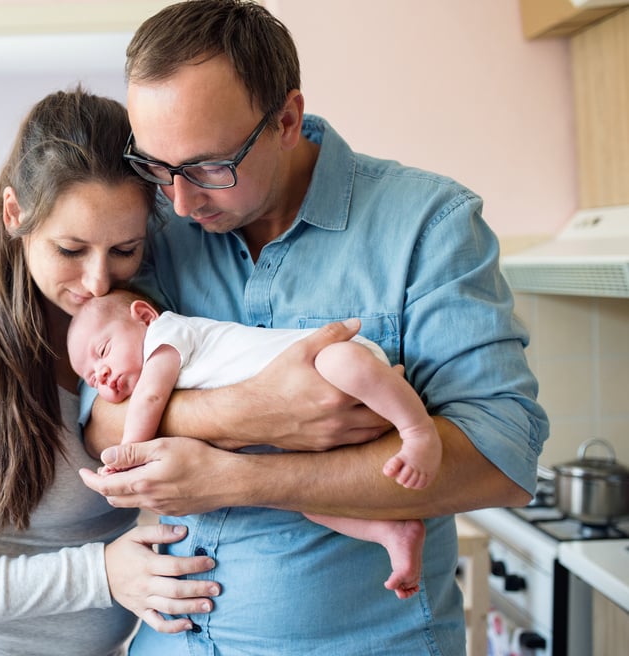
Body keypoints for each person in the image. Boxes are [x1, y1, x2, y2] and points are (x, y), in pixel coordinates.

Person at [78, 1, 550, 654]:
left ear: (287, 121)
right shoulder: (159, 231)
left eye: (210, 166)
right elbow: (99, 420)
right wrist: (255, 413)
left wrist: (238, 478)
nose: (181, 203)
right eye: (157, 168)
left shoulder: (427, 225)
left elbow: (502, 457)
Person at [0, 88, 223, 656]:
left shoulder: (139, 320)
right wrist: (103, 573)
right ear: (16, 214)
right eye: (70, 249)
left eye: (124, 249)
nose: (97, 282)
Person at [68, 288, 438, 598]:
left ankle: (417, 430)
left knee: (342, 361)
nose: (100, 374)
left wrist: (129, 457)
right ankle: (392, 531)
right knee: (309, 502)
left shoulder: (167, 335)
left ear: (144, 316)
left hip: (325, 362)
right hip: (309, 432)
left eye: (103, 352)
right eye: (90, 377)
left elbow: (149, 400)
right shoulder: (159, 366)